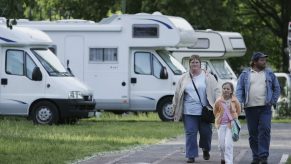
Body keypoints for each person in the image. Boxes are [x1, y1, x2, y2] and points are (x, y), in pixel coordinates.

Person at [172, 55, 220, 163]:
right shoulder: (183, 78)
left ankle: (206, 149)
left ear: (200, 64)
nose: (194, 64)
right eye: (192, 62)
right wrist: (174, 107)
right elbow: (177, 93)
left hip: (205, 111)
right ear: (189, 64)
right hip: (188, 111)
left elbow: (216, 91)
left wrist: (218, 104)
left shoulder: (208, 77)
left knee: (206, 133)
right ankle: (191, 155)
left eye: (196, 62)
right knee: (190, 133)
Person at [236, 52, 280, 164]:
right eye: (261, 60)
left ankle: (263, 156)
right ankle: (256, 156)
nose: (264, 62)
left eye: (265, 60)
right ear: (255, 62)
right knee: (253, 134)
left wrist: (273, 101)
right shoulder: (245, 74)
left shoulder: (269, 73)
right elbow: (239, 89)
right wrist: (239, 103)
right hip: (250, 108)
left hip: (265, 107)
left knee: (265, 130)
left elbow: (276, 88)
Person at [214, 82, 241, 164]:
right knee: (221, 145)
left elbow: (238, 110)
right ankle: (223, 158)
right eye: (224, 88)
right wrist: (218, 119)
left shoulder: (235, 100)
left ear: (231, 91)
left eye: (228, 89)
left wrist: (234, 118)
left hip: (230, 126)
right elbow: (215, 111)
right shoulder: (218, 101)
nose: (225, 90)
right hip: (221, 125)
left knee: (228, 145)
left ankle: (229, 162)